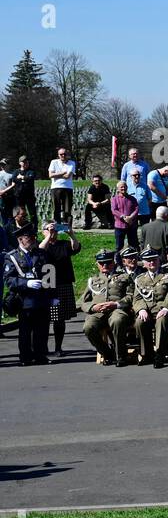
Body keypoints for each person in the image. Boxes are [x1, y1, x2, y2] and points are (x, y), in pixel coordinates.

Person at [3, 225, 53, 365]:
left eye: (33, 237)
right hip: (25, 299)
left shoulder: (40, 254)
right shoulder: (12, 257)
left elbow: (50, 274)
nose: (32, 239)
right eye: (28, 237)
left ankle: (40, 355)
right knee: (25, 331)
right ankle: (25, 357)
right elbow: (9, 280)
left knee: (42, 329)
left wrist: (53, 295)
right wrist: (27, 283)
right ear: (20, 239)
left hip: (42, 298)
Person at [34, 221, 81, 358]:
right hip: (47, 285)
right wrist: (49, 236)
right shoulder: (40, 244)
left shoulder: (64, 244)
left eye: (54, 229)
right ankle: (41, 347)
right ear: (43, 231)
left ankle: (58, 347)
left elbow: (76, 248)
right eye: (48, 229)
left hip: (63, 283)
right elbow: (39, 251)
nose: (53, 232)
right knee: (43, 318)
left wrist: (70, 233)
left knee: (59, 319)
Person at [81, 248, 133, 366]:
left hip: (117, 310)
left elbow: (131, 296)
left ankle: (121, 355)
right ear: (97, 264)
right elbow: (83, 302)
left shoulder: (124, 277)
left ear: (113, 262)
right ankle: (107, 352)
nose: (105, 265)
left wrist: (116, 304)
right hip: (98, 312)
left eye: (108, 262)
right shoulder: (92, 280)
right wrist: (94, 307)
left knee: (117, 320)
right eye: (101, 263)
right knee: (88, 327)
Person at [131, 248, 168, 367]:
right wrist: (141, 309)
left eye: (154, 260)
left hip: (164, 310)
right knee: (139, 322)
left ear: (159, 260)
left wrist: (166, 308)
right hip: (147, 310)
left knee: (161, 320)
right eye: (148, 261)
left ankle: (160, 354)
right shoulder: (140, 278)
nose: (151, 262)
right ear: (144, 263)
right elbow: (137, 298)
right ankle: (146, 354)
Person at [110, 180, 140, 253]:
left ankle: (134, 258)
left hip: (131, 225)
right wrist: (123, 217)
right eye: (121, 187)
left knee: (133, 244)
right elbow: (114, 210)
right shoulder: (114, 199)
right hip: (119, 226)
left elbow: (136, 209)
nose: (123, 188)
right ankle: (119, 261)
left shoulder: (132, 198)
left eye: (125, 187)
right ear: (118, 189)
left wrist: (131, 217)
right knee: (119, 246)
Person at [48, 148, 76, 225]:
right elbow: (50, 175)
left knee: (67, 209)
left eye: (64, 154)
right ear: (58, 155)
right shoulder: (53, 162)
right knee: (56, 209)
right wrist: (63, 172)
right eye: (61, 154)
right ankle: (57, 226)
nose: (63, 155)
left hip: (68, 188)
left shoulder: (72, 163)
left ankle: (68, 228)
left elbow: (67, 176)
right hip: (55, 187)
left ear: (67, 155)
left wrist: (56, 174)